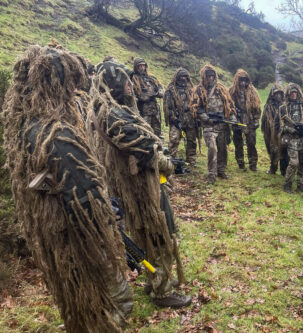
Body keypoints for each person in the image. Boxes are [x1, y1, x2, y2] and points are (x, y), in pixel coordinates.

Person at [2, 44, 133, 332]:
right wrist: (104, 216)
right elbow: (82, 196)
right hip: (72, 232)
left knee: (74, 291)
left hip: (53, 231)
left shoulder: (25, 126)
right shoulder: (56, 134)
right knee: (91, 289)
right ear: (56, 83)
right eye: (68, 83)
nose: (74, 91)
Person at [88, 60, 191, 308]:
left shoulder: (99, 110)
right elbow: (143, 150)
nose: (130, 86)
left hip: (125, 185)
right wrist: (168, 163)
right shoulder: (114, 114)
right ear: (113, 85)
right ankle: (163, 291)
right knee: (160, 231)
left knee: (144, 232)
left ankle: (155, 278)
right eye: (124, 82)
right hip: (141, 186)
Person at [191, 64, 237, 184]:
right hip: (209, 125)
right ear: (204, 77)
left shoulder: (221, 89)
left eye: (212, 76)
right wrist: (206, 118)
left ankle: (221, 170)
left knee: (222, 148)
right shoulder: (199, 90)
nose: (210, 78)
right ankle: (212, 173)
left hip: (222, 124)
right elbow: (196, 107)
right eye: (208, 76)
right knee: (212, 148)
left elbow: (230, 105)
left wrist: (232, 117)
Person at [280, 83, 303, 193]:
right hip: (292, 139)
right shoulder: (283, 108)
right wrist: (290, 130)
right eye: (291, 93)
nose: (293, 94)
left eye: (295, 92)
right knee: (294, 163)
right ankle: (287, 184)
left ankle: (301, 184)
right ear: (288, 94)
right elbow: (280, 125)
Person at [229, 69, 262, 171]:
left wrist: (256, 120)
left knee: (251, 143)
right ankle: (241, 163)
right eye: (241, 80)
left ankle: (253, 164)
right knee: (238, 144)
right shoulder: (232, 91)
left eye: (245, 80)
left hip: (249, 121)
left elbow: (257, 108)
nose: (243, 82)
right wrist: (233, 119)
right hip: (237, 121)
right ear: (237, 80)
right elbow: (229, 107)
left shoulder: (252, 91)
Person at [163, 68, 198, 164]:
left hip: (190, 118)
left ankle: (191, 160)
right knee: (174, 139)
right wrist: (174, 119)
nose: (183, 78)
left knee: (191, 140)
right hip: (176, 118)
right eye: (181, 76)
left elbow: (196, 103)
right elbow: (168, 107)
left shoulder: (191, 89)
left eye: (185, 77)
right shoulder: (171, 90)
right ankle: (172, 160)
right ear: (177, 77)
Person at [132, 57, 164, 137]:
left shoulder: (151, 78)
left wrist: (159, 92)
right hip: (142, 109)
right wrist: (142, 97)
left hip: (154, 108)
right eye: (140, 66)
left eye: (143, 66)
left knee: (157, 130)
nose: (142, 68)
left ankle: (158, 146)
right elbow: (133, 93)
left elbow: (160, 87)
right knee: (145, 131)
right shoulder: (133, 78)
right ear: (136, 67)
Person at [261, 84, 284, 175]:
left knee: (284, 150)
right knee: (273, 149)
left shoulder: (285, 105)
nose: (278, 96)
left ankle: (283, 169)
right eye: (276, 94)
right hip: (271, 132)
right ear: (272, 95)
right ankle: (273, 167)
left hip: (283, 132)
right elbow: (265, 119)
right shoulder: (268, 106)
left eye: (280, 94)